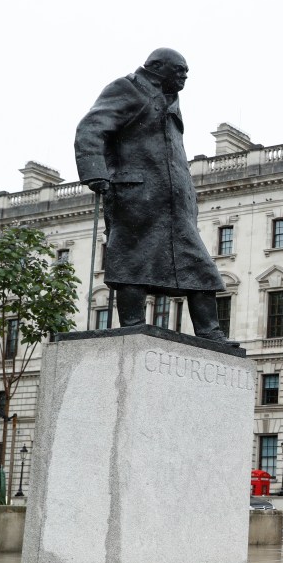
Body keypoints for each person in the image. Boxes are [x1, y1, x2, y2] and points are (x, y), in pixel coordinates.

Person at [75, 49, 236, 346]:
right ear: (157, 67)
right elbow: (91, 128)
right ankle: (133, 326)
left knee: (200, 267)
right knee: (131, 262)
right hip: (134, 194)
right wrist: (95, 172)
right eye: (180, 70)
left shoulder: (170, 97)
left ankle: (210, 332)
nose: (184, 76)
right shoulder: (127, 88)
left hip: (173, 201)